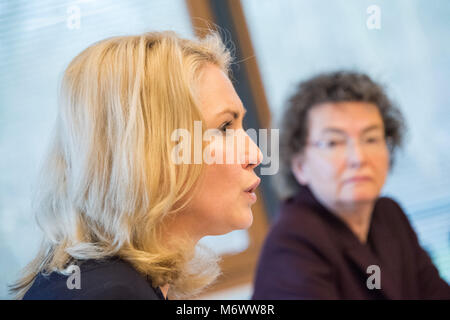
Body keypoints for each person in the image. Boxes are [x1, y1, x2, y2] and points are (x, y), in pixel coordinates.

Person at [11, 31, 262, 300]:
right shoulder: (109, 294)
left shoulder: (112, 283)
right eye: (224, 127)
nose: (256, 155)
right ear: (148, 152)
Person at [253, 71, 450, 299]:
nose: (358, 157)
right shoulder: (293, 243)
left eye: (371, 139)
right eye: (333, 142)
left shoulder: (389, 215)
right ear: (299, 165)